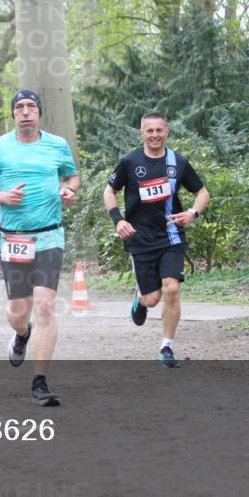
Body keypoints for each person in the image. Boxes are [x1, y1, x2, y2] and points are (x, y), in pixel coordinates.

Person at [0, 89, 79, 406]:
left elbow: (72, 177)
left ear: (39, 112)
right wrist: (2, 197)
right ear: (12, 114)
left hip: (49, 235)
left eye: (31, 106)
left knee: (46, 305)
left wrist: (68, 191)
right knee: (18, 311)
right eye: (19, 107)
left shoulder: (57, 145)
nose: (25, 112)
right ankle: (22, 334)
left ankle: (40, 382)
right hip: (14, 238)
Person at [102, 112, 210, 368]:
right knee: (152, 299)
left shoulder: (177, 162)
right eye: (149, 131)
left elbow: (202, 192)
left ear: (167, 132)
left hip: (171, 235)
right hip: (140, 238)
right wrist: (118, 220)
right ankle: (140, 298)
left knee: (172, 289)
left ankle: (167, 347)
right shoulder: (130, 161)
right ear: (142, 133)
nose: (154, 135)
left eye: (159, 130)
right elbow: (109, 191)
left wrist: (193, 213)